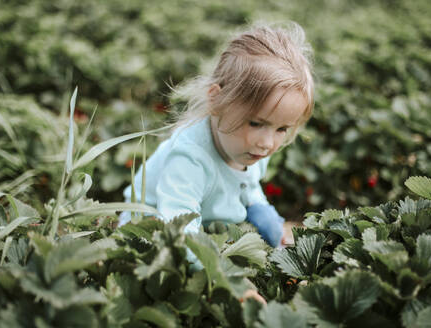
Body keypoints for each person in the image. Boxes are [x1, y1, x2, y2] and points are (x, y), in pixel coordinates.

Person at [119, 21, 315, 269]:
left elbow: (248, 184)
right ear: (216, 100)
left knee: (264, 224)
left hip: (208, 218)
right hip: (156, 219)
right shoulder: (189, 158)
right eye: (255, 123)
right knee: (161, 263)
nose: (267, 143)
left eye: (282, 129)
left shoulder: (250, 146)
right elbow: (177, 227)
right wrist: (223, 278)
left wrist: (263, 213)